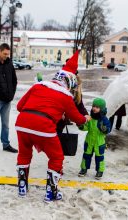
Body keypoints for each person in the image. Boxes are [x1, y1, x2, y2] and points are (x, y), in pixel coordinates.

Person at [15, 50, 91, 202]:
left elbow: (19, 106)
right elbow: (78, 119)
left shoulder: (38, 86)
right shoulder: (65, 95)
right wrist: (86, 118)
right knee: (56, 157)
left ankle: (22, 187)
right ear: (70, 82)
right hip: (44, 127)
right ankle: (51, 192)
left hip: (22, 124)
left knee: (24, 154)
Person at [78, 98, 111, 179]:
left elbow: (108, 129)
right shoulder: (90, 118)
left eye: (97, 107)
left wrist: (105, 129)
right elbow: (86, 127)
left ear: (102, 109)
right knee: (86, 155)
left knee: (99, 157)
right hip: (89, 141)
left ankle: (100, 170)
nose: (94, 108)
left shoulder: (104, 119)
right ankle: (84, 169)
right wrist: (81, 125)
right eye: (94, 106)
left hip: (99, 142)